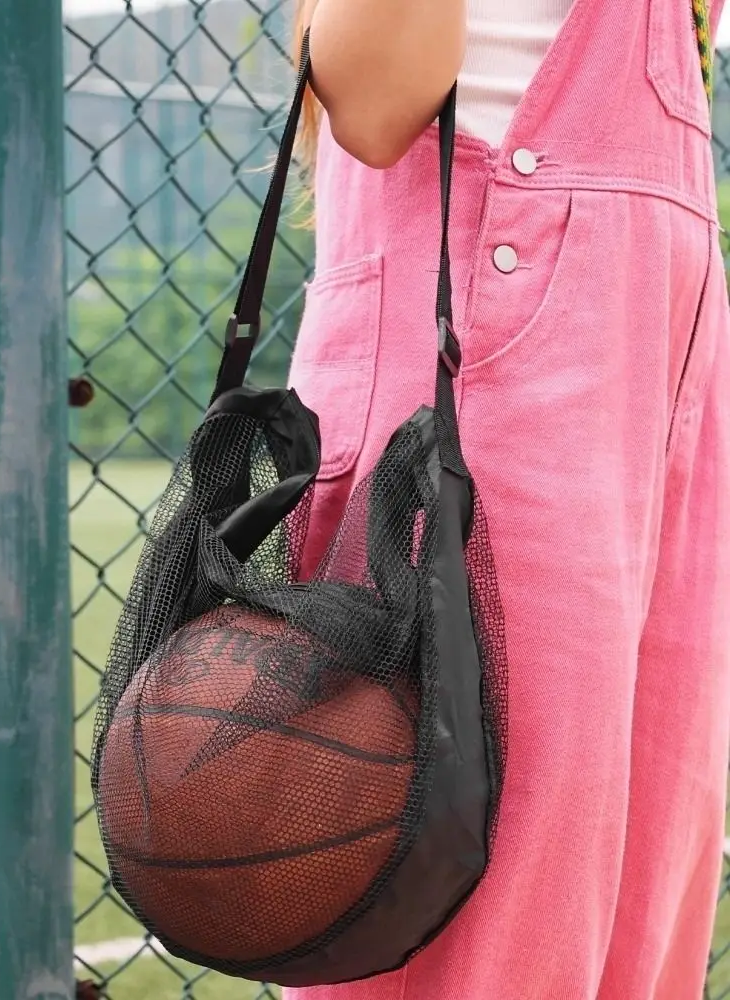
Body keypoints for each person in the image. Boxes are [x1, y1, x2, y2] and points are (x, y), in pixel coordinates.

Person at [284, 0, 730, 997]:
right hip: (482, 346)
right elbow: (373, 104)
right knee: (478, 900)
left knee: (645, 897)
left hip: (663, 354)